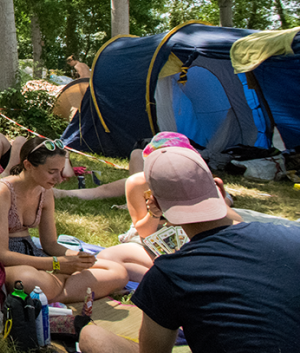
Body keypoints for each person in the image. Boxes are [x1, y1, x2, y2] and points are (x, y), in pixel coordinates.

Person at [75, 143, 300, 353]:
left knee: (91, 336)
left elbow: (153, 351)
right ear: (219, 188)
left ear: (156, 204)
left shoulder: (167, 274)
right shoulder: (293, 237)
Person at [0, 137, 128, 303]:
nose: (59, 178)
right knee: (29, 280)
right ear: (28, 165)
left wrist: (77, 257)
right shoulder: (2, 191)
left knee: (117, 271)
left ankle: (50, 294)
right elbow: (1, 254)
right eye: (52, 172)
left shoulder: (45, 192)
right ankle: (64, 290)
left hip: (34, 257)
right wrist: (57, 265)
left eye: (60, 170)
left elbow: (50, 244)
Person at [93, 133, 242, 282]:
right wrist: (154, 213)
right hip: (153, 241)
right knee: (107, 258)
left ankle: (169, 276)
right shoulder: (137, 183)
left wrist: (215, 206)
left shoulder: (196, 179)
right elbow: (144, 232)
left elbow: (235, 221)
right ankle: (175, 276)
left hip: (193, 240)